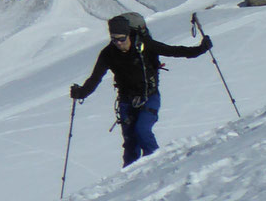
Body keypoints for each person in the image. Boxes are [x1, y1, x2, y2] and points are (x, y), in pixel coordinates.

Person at [69, 13, 212, 165]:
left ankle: (159, 165)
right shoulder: (108, 54)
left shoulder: (144, 45)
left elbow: (173, 51)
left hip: (149, 96)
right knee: (130, 143)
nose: (118, 43)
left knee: (142, 131)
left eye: (121, 38)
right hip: (126, 100)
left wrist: (200, 49)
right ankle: (129, 180)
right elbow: (95, 78)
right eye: (114, 39)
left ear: (128, 34)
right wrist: (81, 92)